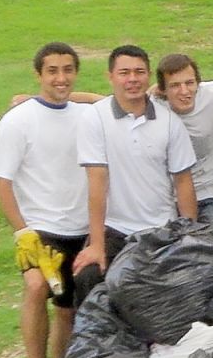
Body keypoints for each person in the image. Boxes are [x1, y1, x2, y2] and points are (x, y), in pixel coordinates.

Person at [0, 43, 90, 358]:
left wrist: (68, 94)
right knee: (37, 288)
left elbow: (102, 99)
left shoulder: (83, 115)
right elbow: (2, 181)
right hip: (39, 229)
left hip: (79, 228)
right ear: (38, 75)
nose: (61, 77)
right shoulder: (18, 121)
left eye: (68, 70)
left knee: (66, 309)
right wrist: (22, 232)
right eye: (52, 71)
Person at [72, 45, 198, 304]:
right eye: (124, 72)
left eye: (139, 72)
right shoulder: (95, 119)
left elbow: (183, 182)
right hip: (115, 230)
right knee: (88, 277)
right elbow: (97, 183)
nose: (132, 79)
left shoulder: (170, 122)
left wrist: (188, 237)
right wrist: (96, 245)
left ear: (149, 76)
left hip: (161, 230)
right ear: (111, 76)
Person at [155, 53, 213, 246]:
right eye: (175, 85)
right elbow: (108, 103)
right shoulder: (153, 106)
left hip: (210, 192)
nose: (184, 91)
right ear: (162, 90)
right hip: (170, 198)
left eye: (190, 83)